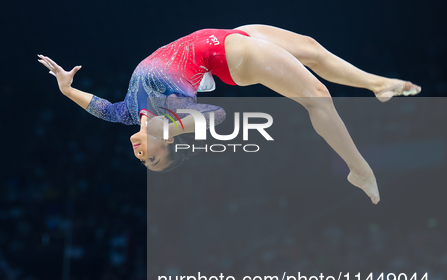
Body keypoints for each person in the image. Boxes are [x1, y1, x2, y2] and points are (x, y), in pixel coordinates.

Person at [38, 25, 421, 204]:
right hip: (231, 56)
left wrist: (67, 88)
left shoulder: (125, 114)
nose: (142, 156)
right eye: (153, 159)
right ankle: (360, 169)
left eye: (143, 162)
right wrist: (172, 129)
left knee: (313, 50)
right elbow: (218, 115)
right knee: (317, 96)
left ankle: (377, 84)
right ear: (168, 145)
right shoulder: (172, 115)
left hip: (223, 38)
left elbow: (98, 107)